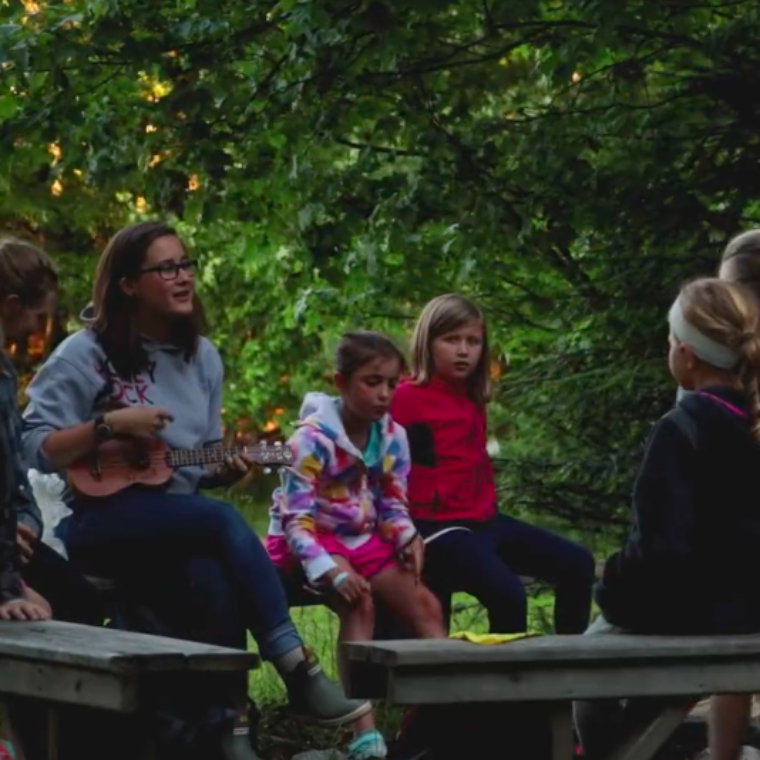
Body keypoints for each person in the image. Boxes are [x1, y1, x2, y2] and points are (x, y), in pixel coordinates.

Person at [21, 221, 370, 758]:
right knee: (221, 522)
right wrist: (110, 427)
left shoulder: (202, 356)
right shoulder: (83, 354)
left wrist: (225, 468)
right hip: (99, 521)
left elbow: (193, 459)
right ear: (128, 284)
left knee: (210, 571)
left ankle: (230, 731)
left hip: (178, 522)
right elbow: (33, 445)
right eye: (167, 268)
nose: (183, 277)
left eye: (185, 264)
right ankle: (297, 667)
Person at [575, 277, 760, 760]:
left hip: (687, 616)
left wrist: (611, 582)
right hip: (746, 611)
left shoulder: (680, 430)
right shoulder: (753, 420)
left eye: (669, 341)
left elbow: (662, 556)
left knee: (584, 684)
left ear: (687, 353)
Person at [266, 331, 447, 760]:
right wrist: (328, 569)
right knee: (359, 601)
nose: (384, 394)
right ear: (340, 382)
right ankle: (361, 732)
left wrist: (407, 535)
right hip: (309, 539)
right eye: (372, 382)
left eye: (391, 383)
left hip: (362, 535)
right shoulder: (310, 440)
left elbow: (392, 502)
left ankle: (433, 718)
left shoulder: (392, 436)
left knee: (426, 606)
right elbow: (295, 519)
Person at [389, 293, 595, 635]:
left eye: (473, 341)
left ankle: (569, 676)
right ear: (427, 343)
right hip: (435, 528)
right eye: (451, 340)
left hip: (483, 520)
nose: (463, 350)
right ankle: (501, 687)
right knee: (508, 594)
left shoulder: (472, 395)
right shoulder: (404, 398)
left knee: (577, 564)